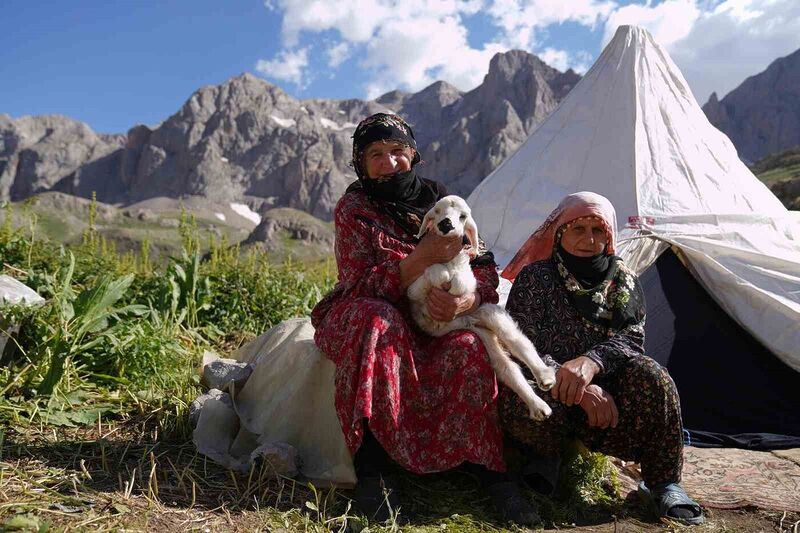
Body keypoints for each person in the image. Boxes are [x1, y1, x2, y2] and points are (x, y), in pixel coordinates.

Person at [310, 113, 537, 525]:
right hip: (376, 315)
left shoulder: (447, 205)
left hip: (441, 322)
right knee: (377, 319)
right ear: (360, 163)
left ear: (413, 155)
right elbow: (358, 282)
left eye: (397, 151)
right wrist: (420, 260)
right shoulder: (355, 209)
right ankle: (374, 471)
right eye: (375, 154)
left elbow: (485, 269)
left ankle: (490, 471)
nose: (389, 163)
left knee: (471, 345)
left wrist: (465, 302)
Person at [498, 192, 704, 526]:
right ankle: (544, 457)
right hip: (552, 386)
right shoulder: (536, 278)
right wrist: (575, 384)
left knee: (654, 376)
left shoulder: (622, 278)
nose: (588, 239)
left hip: (606, 401)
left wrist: (591, 363)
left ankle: (663, 482)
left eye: (598, 230)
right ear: (560, 232)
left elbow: (632, 337)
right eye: (578, 229)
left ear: (609, 235)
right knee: (518, 388)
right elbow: (521, 344)